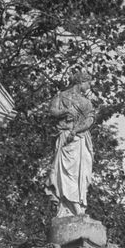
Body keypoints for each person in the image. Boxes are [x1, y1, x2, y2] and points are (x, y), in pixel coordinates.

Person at [46, 72, 95, 215]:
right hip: (65, 136)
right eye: (88, 83)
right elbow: (52, 111)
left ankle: (77, 205)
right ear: (80, 82)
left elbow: (90, 120)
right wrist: (65, 111)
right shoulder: (61, 96)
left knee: (81, 172)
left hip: (80, 138)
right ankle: (70, 208)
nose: (89, 86)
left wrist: (76, 130)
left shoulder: (86, 102)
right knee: (66, 173)